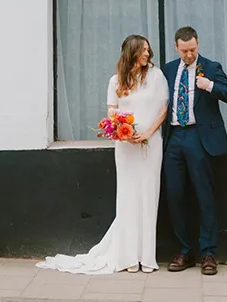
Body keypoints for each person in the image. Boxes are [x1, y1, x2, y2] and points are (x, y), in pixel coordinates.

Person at [37, 34, 169, 274]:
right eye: (143, 51)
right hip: (126, 146)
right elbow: (112, 111)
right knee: (128, 196)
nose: (148, 54)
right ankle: (128, 256)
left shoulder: (156, 76)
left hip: (151, 143)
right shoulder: (115, 81)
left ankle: (147, 257)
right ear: (132, 52)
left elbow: (163, 108)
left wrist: (148, 132)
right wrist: (122, 131)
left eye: (149, 50)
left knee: (149, 195)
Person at [161, 26, 227, 276]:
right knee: (174, 196)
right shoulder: (168, 69)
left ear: (198, 45)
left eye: (193, 50)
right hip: (173, 137)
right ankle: (185, 251)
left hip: (199, 137)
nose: (189, 55)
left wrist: (210, 86)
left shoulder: (211, 66)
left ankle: (208, 253)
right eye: (184, 51)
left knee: (204, 196)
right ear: (176, 47)